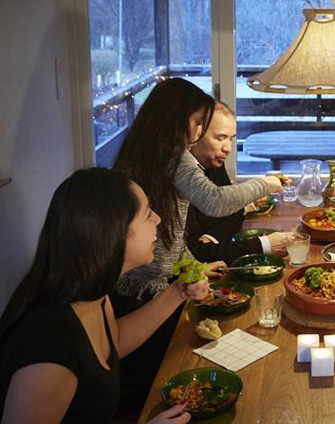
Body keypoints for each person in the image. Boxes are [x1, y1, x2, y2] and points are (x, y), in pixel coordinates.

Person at [0, 168, 207, 424]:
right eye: (148, 214)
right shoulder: (51, 347)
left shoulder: (91, 293)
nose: (158, 219)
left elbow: (111, 342)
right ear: (113, 234)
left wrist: (177, 293)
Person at [110, 78, 283, 415]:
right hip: (143, 288)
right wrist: (263, 184)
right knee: (149, 380)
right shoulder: (176, 157)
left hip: (151, 283)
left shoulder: (144, 151)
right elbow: (215, 203)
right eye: (199, 122)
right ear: (177, 118)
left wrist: (193, 265)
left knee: (155, 373)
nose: (202, 129)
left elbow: (173, 230)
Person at [185, 102, 291, 263]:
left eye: (231, 139)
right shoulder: (180, 178)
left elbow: (231, 212)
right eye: (220, 138)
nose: (228, 148)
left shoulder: (213, 162)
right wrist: (264, 245)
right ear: (194, 135)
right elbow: (195, 255)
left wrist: (210, 238)